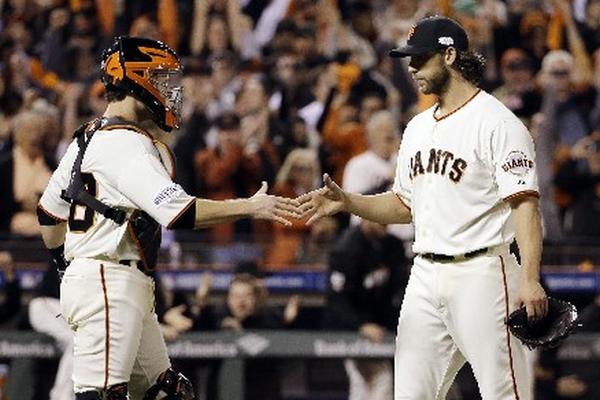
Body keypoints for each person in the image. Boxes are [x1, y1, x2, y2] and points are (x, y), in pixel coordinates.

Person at [36, 36, 300, 400]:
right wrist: (250, 206)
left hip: (111, 279)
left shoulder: (86, 139)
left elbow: (49, 217)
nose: (169, 89)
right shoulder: (127, 143)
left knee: (166, 392)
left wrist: (71, 269)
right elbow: (180, 212)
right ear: (135, 80)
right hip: (109, 280)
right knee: (100, 396)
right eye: (160, 79)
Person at [300, 16, 548, 399]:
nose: (412, 67)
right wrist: (349, 202)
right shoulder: (417, 128)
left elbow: (526, 207)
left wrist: (530, 279)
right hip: (425, 275)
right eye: (410, 59)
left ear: (450, 55)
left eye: (421, 58)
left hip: (483, 272)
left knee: (506, 394)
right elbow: (403, 205)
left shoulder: (498, 124)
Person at [323, 219, 409, 400]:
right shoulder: (346, 249)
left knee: (365, 384)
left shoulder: (393, 245)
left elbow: (400, 288)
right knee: (379, 378)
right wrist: (361, 325)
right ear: (365, 218)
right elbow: (338, 300)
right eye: (379, 220)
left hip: (383, 325)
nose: (385, 225)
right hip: (351, 328)